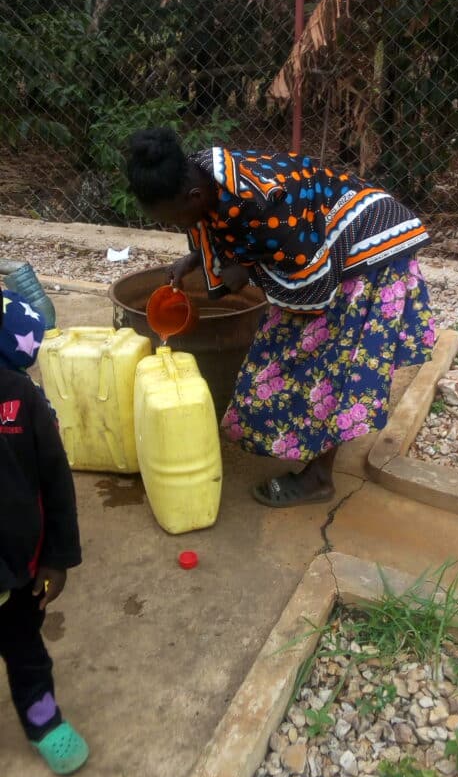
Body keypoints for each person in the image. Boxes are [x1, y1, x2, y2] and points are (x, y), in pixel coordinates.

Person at [125, 128, 435, 507]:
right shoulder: (202, 173)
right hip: (317, 237)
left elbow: (310, 277)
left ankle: (319, 478)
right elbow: (218, 224)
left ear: (192, 196)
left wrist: (248, 273)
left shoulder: (261, 200)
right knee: (285, 349)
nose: (180, 228)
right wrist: (194, 258)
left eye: (176, 221)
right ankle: (300, 439)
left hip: (366, 247)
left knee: (330, 358)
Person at [0, 286, 89, 774]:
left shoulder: (21, 400)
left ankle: (43, 718)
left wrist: (58, 557)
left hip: (18, 573)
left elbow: (56, 482)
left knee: (27, 654)